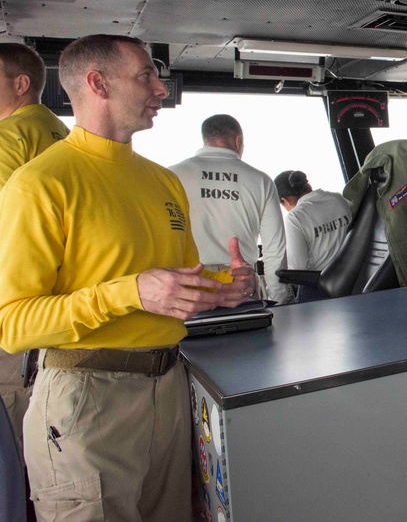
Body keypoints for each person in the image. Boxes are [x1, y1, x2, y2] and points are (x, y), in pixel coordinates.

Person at [0, 34, 256, 521]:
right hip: (87, 398)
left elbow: (177, 284)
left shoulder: (162, 181)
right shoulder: (39, 183)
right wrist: (130, 292)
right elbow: (13, 323)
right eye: (146, 76)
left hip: (170, 390)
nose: (161, 88)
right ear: (98, 83)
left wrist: (228, 288)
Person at [0, 43, 70, 457]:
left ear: (21, 83)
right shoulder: (64, 134)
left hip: (15, 296)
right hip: (56, 300)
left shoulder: (9, 135)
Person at [171, 114, 293, 304]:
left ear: (206, 139)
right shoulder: (261, 181)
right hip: (242, 282)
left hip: (190, 284)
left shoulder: (172, 175)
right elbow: (274, 250)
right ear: (239, 140)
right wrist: (281, 301)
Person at [275, 170, 352, 301]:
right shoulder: (338, 198)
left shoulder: (295, 217)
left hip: (320, 288)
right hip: (353, 278)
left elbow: (298, 269)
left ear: (285, 200)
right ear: (308, 186)